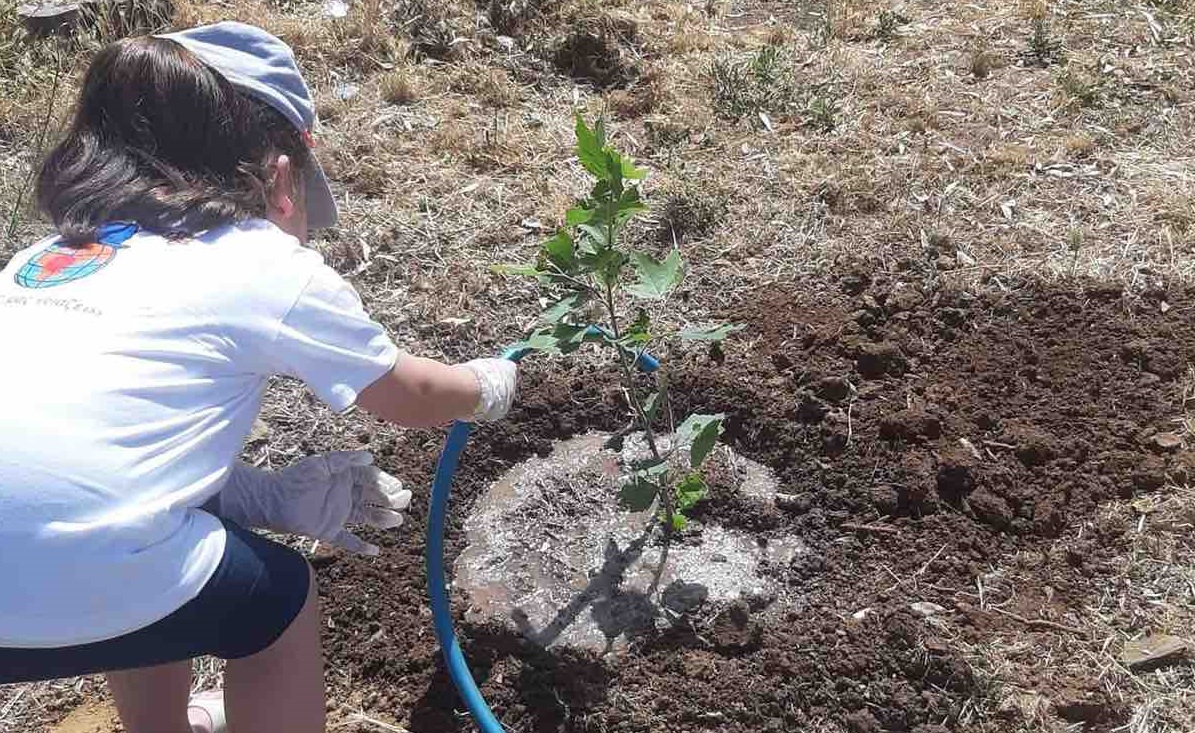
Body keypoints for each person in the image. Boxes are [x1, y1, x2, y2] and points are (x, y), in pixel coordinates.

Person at [0, 22, 518, 733]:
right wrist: (485, 386)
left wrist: (262, 496)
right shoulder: (258, 258)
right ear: (280, 176)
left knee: (166, 546)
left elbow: (76, 456)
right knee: (279, 604)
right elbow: (408, 395)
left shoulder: (48, 260)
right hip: (94, 580)